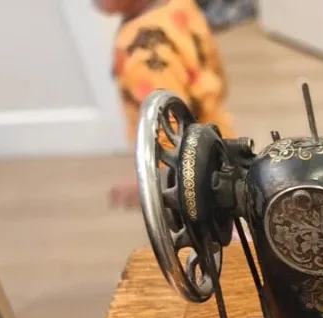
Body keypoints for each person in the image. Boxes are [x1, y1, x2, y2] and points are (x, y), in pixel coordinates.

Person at [98, 0, 237, 207]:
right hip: (220, 138)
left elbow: (172, 129)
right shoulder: (179, 7)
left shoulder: (144, 52)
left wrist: (151, 183)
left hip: (193, 178)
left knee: (213, 230)